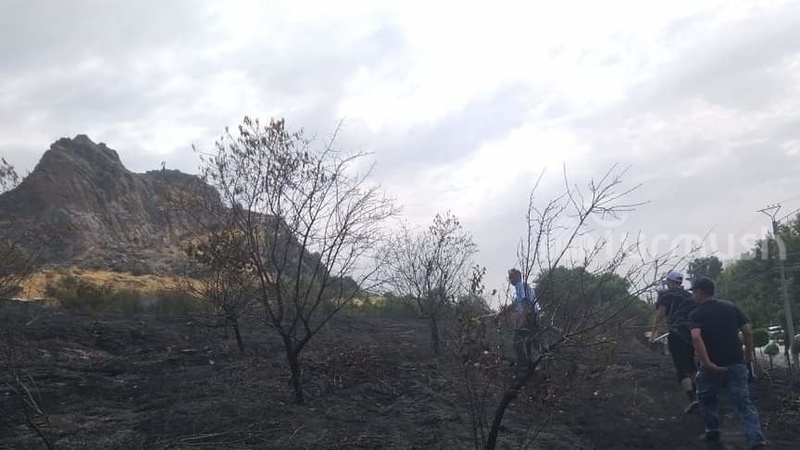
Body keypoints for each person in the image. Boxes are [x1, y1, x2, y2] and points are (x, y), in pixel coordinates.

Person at [689, 276, 767, 449]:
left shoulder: (696, 314)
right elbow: (747, 332)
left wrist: (707, 363)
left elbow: (696, 337)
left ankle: (712, 431)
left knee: (705, 398)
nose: (693, 295)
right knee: (743, 403)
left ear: (700, 292)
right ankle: (756, 440)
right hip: (736, 363)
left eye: (694, 291)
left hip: (712, 366)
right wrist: (748, 357)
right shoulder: (730, 307)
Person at [649, 269, 698, 413]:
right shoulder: (689, 296)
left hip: (676, 335)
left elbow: (660, 315)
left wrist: (654, 333)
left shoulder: (666, 296)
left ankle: (692, 398)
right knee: (691, 365)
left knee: (682, 368)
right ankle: (700, 395)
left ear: (670, 282)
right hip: (690, 334)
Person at [499, 268, 541, 370]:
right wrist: (498, 315)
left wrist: (522, 320)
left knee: (517, 341)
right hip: (534, 317)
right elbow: (513, 305)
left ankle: (523, 365)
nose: (510, 280)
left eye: (512, 277)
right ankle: (540, 362)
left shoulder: (521, 286)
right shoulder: (521, 288)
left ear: (518, 276)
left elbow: (526, 304)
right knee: (534, 341)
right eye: (509, 277)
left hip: (530, 317)